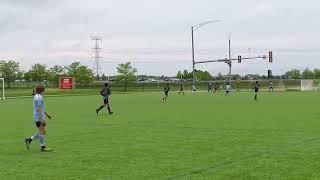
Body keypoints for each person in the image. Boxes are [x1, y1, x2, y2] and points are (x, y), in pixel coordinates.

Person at [25, 84, 53, 152]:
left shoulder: (35, 96)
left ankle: (29, 140)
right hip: (39, 116)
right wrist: (42, 118)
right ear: (42, 90)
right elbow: (39, 108)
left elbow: (39, 108)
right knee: (42, 132)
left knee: (43, 131)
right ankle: (43, 147)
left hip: (37, 115)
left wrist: (46, 114)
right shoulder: (40, 97)